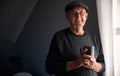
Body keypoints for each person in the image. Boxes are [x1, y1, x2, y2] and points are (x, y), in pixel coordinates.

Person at [45, 1, 105, 76]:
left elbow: (103, 65)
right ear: (67, 16)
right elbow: (49, 68)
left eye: (82, 13)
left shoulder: (94, 37)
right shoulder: (59, 37)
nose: (78, 17)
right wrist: (76, 63)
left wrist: (93, 65)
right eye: (74, 13)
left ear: (86, 16)